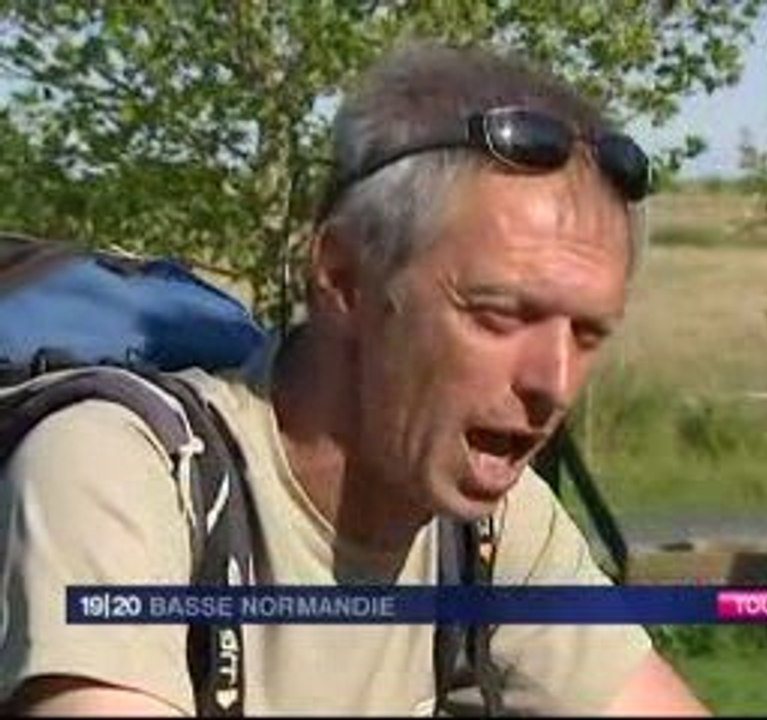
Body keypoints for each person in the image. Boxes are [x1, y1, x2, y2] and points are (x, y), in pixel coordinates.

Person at [0, 42, 708, 716]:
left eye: (588, 334)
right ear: (342, 278)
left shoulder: (491, 527)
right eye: (498, 316)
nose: (554, 382)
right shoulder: (119, 468)